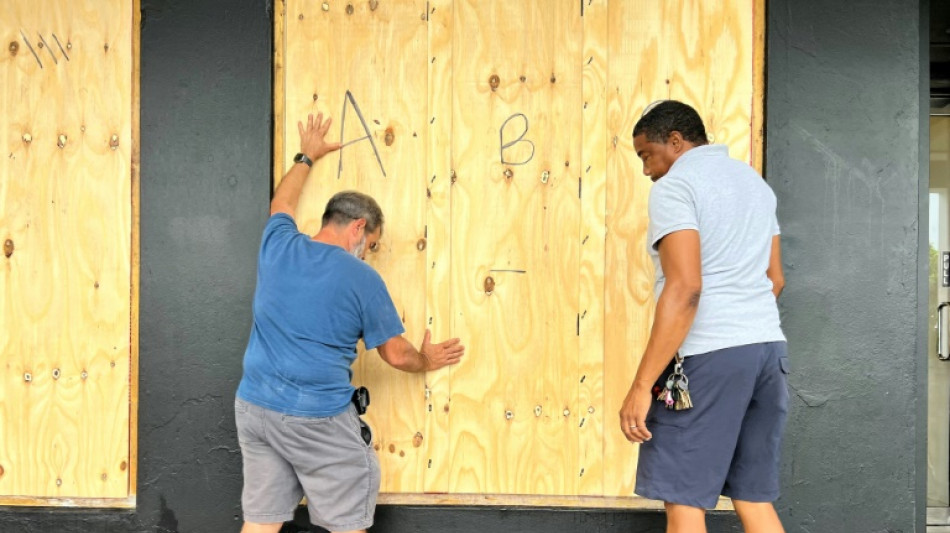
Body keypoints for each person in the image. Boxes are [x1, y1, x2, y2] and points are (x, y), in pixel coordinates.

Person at [235, 113, 465, 533]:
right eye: (371, 245)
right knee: (346, 525)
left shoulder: (278, 244)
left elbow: (281, 204)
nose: (368, 253)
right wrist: (426, 359)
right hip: (316, 418)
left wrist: (308, 155)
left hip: (255, 408)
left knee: (261, 523)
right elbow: (396, 354)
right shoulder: (362, 278)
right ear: (358, 227)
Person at [619, 100, 788, 533]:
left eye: (646, 156)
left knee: (683, 499)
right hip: (766, 351)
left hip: (707, 358)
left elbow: (686, 287)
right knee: (753, 498)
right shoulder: (754, 185)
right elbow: (775, 280)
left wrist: (642, 387)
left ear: (675, 142)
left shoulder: (677, 187)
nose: (646, 170)